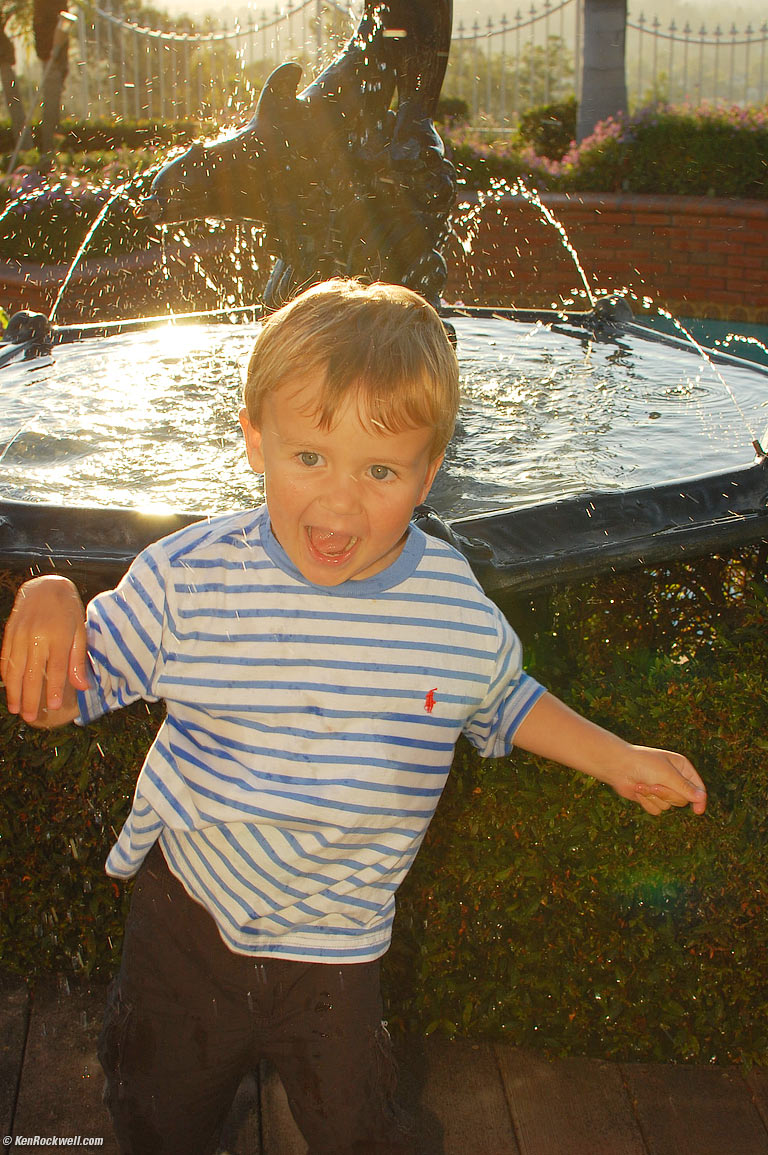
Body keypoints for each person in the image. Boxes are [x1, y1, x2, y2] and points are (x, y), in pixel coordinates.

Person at [1, 279, 707, 1155]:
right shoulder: (189, 579)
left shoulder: (449, 605)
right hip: (188, 927)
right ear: (255, 439)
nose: (339, 506)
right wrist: (51, 596)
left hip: (341, 945)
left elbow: (504, 698)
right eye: (309, 458)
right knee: (159, 1118)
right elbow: (58, 696)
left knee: (362, 1127)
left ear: (428, 471)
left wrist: (616, 756)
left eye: (380, 471)